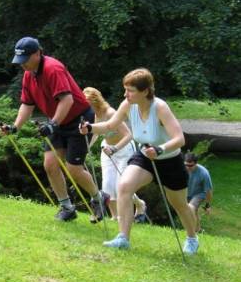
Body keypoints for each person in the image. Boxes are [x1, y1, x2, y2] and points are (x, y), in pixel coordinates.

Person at [80, 68, 199, 254]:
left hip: (169, 160)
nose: (125, 94)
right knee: (124, 187)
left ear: (145, 91)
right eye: (125, 89)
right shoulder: (128, 104)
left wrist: (160, 149)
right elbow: (110, 125)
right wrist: (90, 127)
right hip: (144, 156)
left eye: (130, 90)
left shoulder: (159, 107)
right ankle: (123, 239)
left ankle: (192, 238)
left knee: (179, 205)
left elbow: (179, 139)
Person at [0, 37, 109, 222]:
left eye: (26, 59)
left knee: (73, 168)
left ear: (37, 53)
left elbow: (67, 100)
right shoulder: (29, 74)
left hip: (78, 119)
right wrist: (15, 127)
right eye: (20, 61)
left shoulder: (53, 68)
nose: (23, 65)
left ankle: (98, 198)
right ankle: (67, 207)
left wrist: (53, 124)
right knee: (50, 165)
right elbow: (27, 104)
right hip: (58, 121)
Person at [83, 87, 147, 222]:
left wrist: (115, 149)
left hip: (123, 150)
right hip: (107, 150)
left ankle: (140, 204)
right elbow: (95, 132)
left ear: (95, 101)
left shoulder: (110, 113)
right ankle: (115, 216)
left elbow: (129, 135)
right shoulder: (94, 114)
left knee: (121, 185)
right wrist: (86, 147)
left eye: (87, 103)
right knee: (107, 185)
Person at [185, 152, 213, 233]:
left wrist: (207, 205)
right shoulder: (182, 168)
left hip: (199, 194)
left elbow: (208, 190)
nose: (188, 167)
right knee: (193, 211)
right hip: (186, 192)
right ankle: (198, 230)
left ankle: (192, 233)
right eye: (186, 165)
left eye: (191, 165)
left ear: (196, 164)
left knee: (191, 208)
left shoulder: (204, 173)